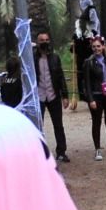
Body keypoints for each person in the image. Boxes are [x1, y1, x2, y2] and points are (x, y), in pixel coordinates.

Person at [33, 31, 69, 161]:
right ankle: (39, 153)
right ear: (37, 43)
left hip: (53, 95)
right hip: (39, 97)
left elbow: (60, 77)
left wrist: (65, 96)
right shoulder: (32, 59)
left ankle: (61, 152)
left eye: (47, 40)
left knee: (58, 124)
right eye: (42, 40)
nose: (45, 42)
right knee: (37, 125)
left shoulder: (55, 58)